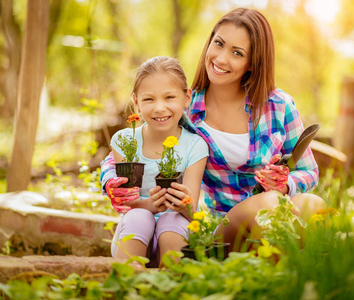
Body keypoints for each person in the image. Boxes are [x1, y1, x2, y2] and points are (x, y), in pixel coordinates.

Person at [102, 8, 325, 252]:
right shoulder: (186, 107)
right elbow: (134, 146)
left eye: (237, 53)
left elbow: (308, 172)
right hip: (220, 226)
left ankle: (277, 280)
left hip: (271, 213)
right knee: (269, 204)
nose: (220, 58)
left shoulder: (278, 106)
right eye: (218, 44)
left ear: (253, 63)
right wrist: (110, 181)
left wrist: (284, 185)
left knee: (313, 205)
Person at [105, 56, 209, 265]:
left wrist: (183, 204)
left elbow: (192, 211)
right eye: (149, 99)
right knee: (139, 216)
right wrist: (150, 204)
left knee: (172, 219)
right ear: (136, 101)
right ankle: (126, 285)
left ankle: (170, 283)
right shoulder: (124, 141)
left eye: (169, 97)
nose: (160, 108)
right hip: (134, 232)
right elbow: (128, 201)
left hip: (176, 234)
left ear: (187, 97)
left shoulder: (195, 146)